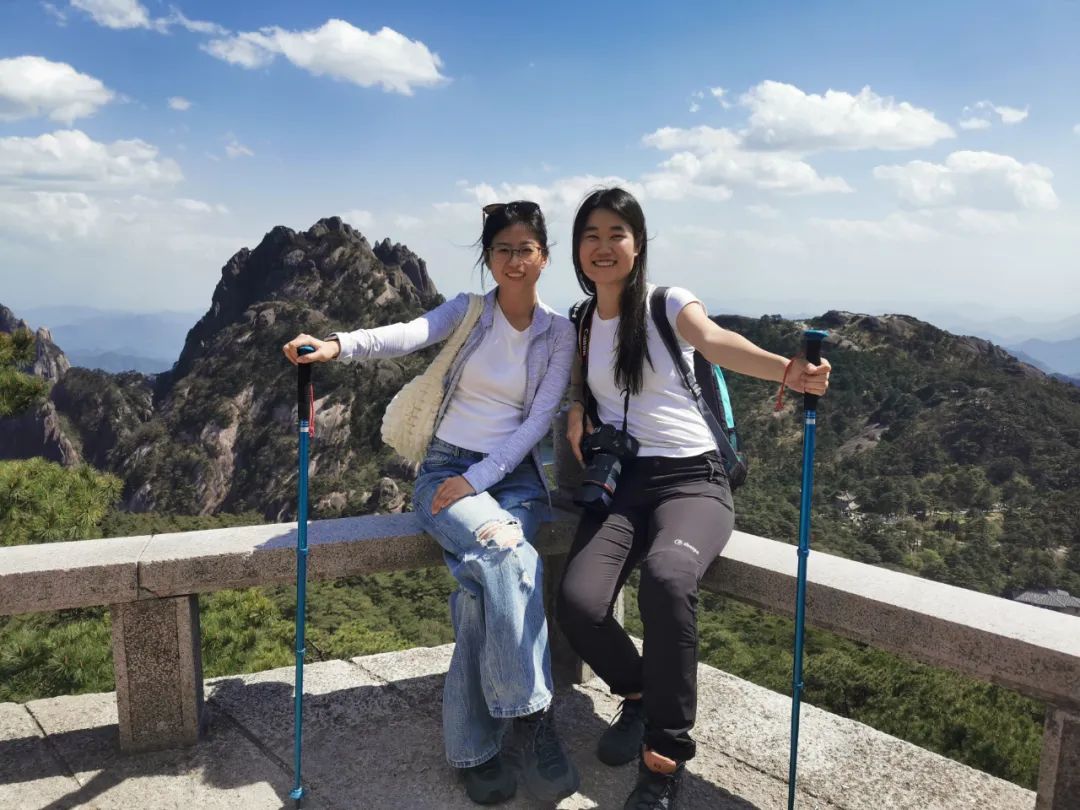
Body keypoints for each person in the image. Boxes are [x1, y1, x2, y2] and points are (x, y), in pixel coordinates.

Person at [283, 201, 580, 806]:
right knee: (506, 553)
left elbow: (539, 420)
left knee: (482, 587)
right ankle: (532, 717)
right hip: (444, 471)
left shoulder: (559, 333)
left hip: (513, 480)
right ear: (488, 258)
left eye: (525, 249)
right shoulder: (469, 312)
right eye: (502, 249)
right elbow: (408, 333)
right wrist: (338, 346)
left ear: (544, 257)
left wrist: (481, 479)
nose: (514, 260)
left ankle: (475, 750)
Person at [555, 187, 831, 810]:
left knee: (668, 577)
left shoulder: (667, 302)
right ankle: (639, 693)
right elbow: (583, 380)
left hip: (692, 479)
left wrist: (787, 370)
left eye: (617, 233)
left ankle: (665, 753)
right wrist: (575, 406)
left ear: (638, 244)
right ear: (577, 248)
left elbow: (714, 340)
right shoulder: (581, 320)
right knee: (578, 602)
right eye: (591, 235)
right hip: (625, 482)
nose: (603, 246)